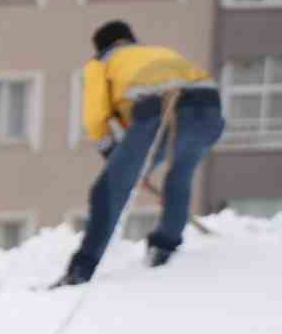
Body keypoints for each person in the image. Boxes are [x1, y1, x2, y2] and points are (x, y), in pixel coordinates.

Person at [56, 20, 225, 287]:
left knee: (108, 189)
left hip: (157, 109)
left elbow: (95, 117)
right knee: (178, 177)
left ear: (101, 47)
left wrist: (111, 152)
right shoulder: (160, 52)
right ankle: (165, 246)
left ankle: (81, 270)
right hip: (208, 111)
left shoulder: (102, 63)